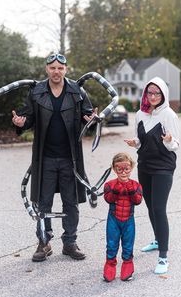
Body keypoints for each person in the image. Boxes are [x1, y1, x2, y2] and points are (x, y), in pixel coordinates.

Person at [12, 53, 95, 262]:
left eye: (60, 68)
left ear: (66, 69)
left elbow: (88, 117)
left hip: (70, 158)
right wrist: (20, 123)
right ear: (46, 69)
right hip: (45, 157)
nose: (56, 72)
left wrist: (92, 120)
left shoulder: (77, 91)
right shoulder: (37, 92)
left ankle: (70, 242)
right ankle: (44, 242)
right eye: (52, 68)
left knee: (71, 201)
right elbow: (27, 118)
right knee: (43, 201)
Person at [124, 76, 180, 274]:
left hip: (163, 167)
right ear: (146, 94)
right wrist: (135, 142)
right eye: (150, 92)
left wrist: (169, 140)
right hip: (144, 165)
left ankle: (163, 257)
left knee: (159, 208)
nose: (154, 96)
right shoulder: (140, 113)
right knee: (149, 206)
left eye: (157, 93)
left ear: (163, 94)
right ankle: (157, 240)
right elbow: (141, 140)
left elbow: (175, 145)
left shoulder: (169, 115)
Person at [103, 152, 142, 282]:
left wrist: (130, 188)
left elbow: (137, 201)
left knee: (128, 244)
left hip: (129, 220)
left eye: (126, 169)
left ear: (131, 168)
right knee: (112, 244)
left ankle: (127, 264)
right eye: (120, 169)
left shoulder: (136, 185)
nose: (123, 172)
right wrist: (116, 188)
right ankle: (110, 264)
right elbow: (108, 199)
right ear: (115, 169)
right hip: (113, 219)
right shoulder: (109, 185)